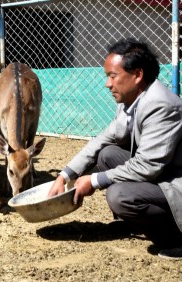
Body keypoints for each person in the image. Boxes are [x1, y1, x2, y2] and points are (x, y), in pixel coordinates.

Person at [48, 38, 182, 260]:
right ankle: (133, 224)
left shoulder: (161, 105)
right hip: (163, 173)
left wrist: (93, 180)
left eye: (112, 76)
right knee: (107, 154)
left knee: (119, 195)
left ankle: (175, 239)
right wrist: (66, 174)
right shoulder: (131, 100)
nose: (107, 84)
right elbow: (105, 138)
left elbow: (147, 166)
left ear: (137, 75)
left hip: (176, 181)